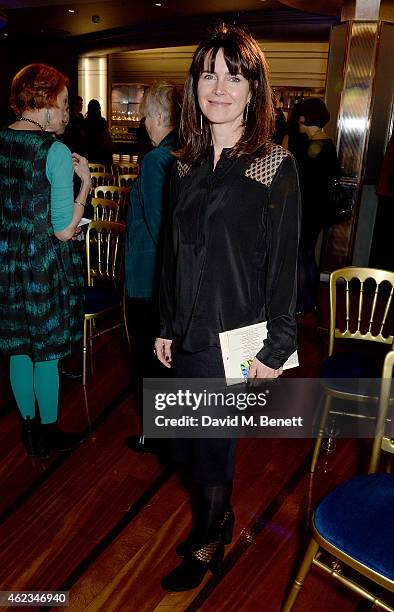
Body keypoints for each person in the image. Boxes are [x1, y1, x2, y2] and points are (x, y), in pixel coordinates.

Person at [154, 25, 300, 591]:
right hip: (187, 334)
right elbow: (174, 252)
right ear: (194, 86)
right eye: (209, 74)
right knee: (184, 448)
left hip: (236, 342)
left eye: (233, 77)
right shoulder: (183, 165)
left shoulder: (272, 166)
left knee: (212, 452)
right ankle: (218, 515)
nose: (219, 87)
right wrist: (166, 323)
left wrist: (278, 347)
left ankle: (211, 538)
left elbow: (284, 266)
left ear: (252, 88)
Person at [0, 64, 91, 457]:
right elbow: (64, 230)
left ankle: (29, 427)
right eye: (65, 102)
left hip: (7, 261)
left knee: (19, 347)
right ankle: (49, 433)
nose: (67, 110)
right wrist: (84, 185)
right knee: (47, 352)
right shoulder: (52, 151)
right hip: (41, 265)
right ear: (48, 101)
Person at [124, 81, 180, 453]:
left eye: (146, 115)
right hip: (167, 279)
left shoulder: (156, 159)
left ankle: (157, 434)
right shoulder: (183, 151)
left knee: (149, 359)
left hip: (149, 278)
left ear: (160, 116)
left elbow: (161, 227)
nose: (143, 122)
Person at [292, 97, 341, 314]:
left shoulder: (309, 148)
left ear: (305, 118)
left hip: (305, 209)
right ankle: (310, 300)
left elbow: (296, 182)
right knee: (308, 255)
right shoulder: (328, 144)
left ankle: (301, 304)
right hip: (319, 210)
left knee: (301, 257)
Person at [84, 99, 113, 169]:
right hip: (102, 153)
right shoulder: (102, 122)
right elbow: (106, 136)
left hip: (90, 153)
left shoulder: (85, 122)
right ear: (98, 109)